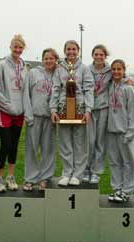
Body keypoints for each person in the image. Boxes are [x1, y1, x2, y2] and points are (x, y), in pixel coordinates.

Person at [50, 40, 94, 186]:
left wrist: (88, 110)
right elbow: (56, 89)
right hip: (63, 109)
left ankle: (77, 175)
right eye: (68, 49)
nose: (71, 52)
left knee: (80, 144)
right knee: (65, 143)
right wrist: (53, 109)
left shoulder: (84, 69)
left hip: (79, 110)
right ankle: (67, 173)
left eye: (74, 49)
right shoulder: (59, 68)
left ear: (78, 51)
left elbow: (88, 90)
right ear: (64, 51)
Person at [0, 34, 28, 192]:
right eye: (16, 47)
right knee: (6, 144)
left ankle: (11, 176)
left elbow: (25, 89)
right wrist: (7, 105)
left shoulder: (24, 66)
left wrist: (23, 108)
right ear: (10, 47)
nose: (18, 50)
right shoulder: (1, 65)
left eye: (21, 47)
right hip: (5, 111)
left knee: (14, 145)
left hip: (19, 112)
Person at [23, 48, 59, 191]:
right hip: (35, 117)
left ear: (55, 60)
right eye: (46, 58)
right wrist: (28, 114)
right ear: (42, 59)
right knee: (31, 149)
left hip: (50, 118)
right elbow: (26, 94)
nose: (49, 61)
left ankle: (45, 178)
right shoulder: (33, 73)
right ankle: (30, 179)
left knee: (48, 150)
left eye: (51, 58)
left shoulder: (59, 73)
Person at [107, 59, 134, 203]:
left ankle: (127, 190)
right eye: (113, 69)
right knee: (114, 162)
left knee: (128, 162)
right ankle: (117, 189)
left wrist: (131, 132)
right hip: (111, 131)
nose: (116, 72)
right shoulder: (110, 86)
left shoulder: (128, 88)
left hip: (125, 132)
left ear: (124, 70)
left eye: (119, 69)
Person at [83, 44, 112, 184]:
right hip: (89, 109)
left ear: (105, 56)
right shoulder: (87, 69)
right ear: (92, 55)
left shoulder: (110, 70)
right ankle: (86, 169)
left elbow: (121, 77)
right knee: (89, 142)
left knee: (100, 142)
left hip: (103, 109)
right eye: (96, 54)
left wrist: (129, 80)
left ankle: (96, 172)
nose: (99, 56)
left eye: (101, 54)